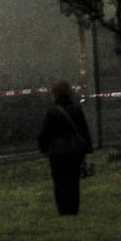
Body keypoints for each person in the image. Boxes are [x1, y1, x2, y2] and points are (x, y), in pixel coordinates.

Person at [37, 80, 93, 215]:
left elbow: (46, 132)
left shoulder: (52, 111)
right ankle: (73, 208)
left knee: (59, 181)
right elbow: (83, 130)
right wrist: (87, 148)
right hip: (74, 151)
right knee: (73, 181)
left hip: (57, 152)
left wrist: (44, 148)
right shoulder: (76, 109)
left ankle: (63, 209)